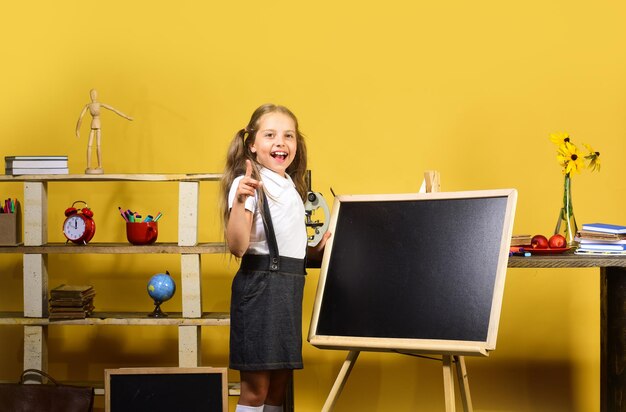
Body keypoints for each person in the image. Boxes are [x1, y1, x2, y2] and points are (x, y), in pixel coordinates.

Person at [220, 104, 330, 412]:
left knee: (278, 388)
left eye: (288, 136)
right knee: (257, 390)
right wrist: (241, 198)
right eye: (270, 135)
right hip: (260, 291)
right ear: (252, 144)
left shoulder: (290, 187)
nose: (280, 142)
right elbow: (238, 246)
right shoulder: (251, 185)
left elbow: (286, 248)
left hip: (286, 291)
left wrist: (318, 249)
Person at [75, 88, 133, 174]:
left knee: (97, 145)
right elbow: (81, 117)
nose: (93, 96)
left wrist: (126, 116)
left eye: (94, 94)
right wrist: (77, 130)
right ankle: (89, 165)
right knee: (90, 145)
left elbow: (113, 109)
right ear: (90, 96)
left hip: (97, 124)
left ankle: (99, 165)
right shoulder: (88, 105)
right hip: (94, 124)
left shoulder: (96, 105)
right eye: (92, 94)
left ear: (96, 95)